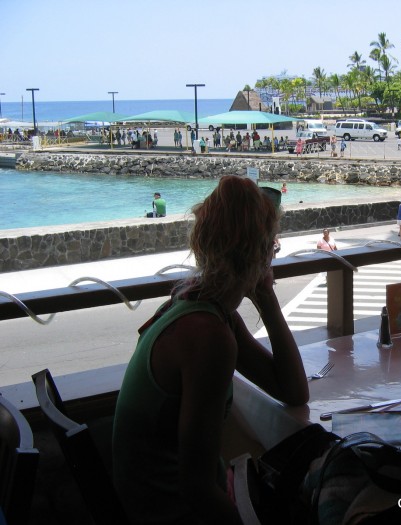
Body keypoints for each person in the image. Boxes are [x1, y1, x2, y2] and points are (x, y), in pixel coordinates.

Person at [113, 177, 309, 525]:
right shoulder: (208, 336)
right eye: (272, 247)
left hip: (153, 502)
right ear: (261, 253)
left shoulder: (197, 304)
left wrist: (266, 297)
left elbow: (293, 390)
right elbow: (197, 488)